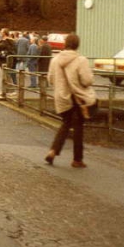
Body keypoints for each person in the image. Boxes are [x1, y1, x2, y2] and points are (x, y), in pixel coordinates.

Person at [45, 34, 97, 168]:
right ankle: (77, 159)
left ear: (65, 44)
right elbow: (87, 80)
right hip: (78, 98)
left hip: (62, 97)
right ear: (78, 45)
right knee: (78, 127)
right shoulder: (81, 60)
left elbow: (50, 79)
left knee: (66, 124)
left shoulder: (55, 60)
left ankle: (53, 151)